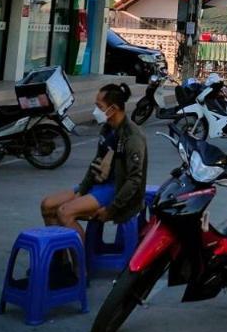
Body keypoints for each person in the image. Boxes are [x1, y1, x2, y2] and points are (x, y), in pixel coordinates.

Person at [40, 83, 148, 242]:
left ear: (113, 108)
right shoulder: (107, 128)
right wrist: (82, 190)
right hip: (98, 185)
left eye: (99, 106)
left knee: (65, 212)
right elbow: (96, 162)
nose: (96, 110)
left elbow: (134, 180)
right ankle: (62, 256)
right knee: (48, 205)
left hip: (116, 189)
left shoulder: (132, 137)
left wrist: (111, 210)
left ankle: (79, 264)